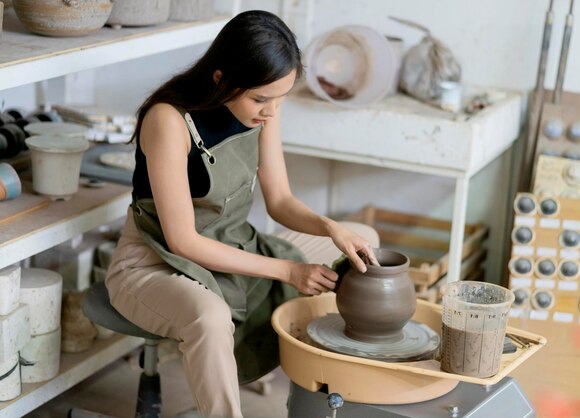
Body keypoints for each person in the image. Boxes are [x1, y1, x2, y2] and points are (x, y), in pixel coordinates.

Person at [104, 10, 378, 418]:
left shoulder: (264, 107)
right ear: (221, 79)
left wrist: (330, 228)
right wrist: (286, 271)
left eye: (279, 99)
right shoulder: (169, 121)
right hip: (152, 263)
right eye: (261, 99)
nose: (270, 111)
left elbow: (281, 200)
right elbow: (183, 241)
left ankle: (330, 396)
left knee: (361, 242)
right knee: (210, 317)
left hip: (230, 246)